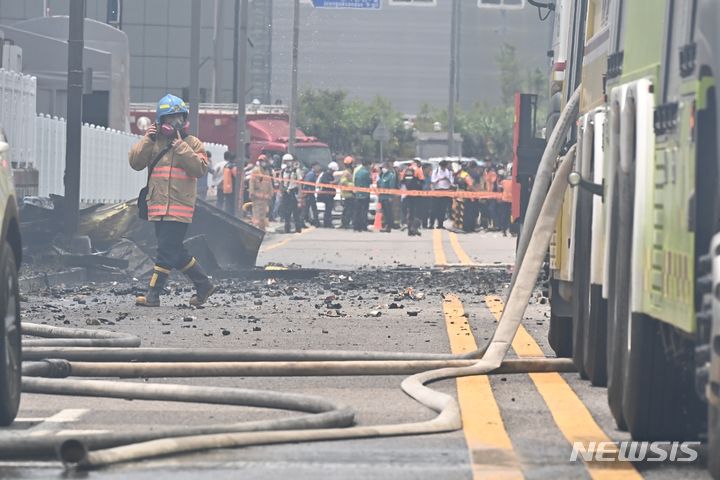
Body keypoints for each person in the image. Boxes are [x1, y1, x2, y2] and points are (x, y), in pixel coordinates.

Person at [129, 93, 215, 308]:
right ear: (161, 122)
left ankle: (153, 294)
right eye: (170, 118)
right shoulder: (154, 142)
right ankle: (203, 285)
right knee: (175, 251)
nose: (175, 122)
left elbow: (200, 169)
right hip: (157, 207)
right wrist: (147, 140)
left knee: (165, 252)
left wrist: (181, 148)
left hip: (180, 208)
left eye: (179, 117)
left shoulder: (192, 143)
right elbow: (135, 162)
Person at [249, 154, 273, 231]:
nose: (263, 163)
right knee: (257, 216)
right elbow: (251, 182)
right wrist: (251, 193)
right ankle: (256, 231)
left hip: (264, 199)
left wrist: (271, 194)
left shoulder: (266, 172)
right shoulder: (255, 171)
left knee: (263, 216)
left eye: (264, 161)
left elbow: (269, 184)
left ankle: (262, 230)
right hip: (257, 198)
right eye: (261, 161)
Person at [401, 158, 425, 236]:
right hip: (417, 194)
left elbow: (402, 181)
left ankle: (410, 230)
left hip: (408, 194)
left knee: (410, 212)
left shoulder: (406, 170)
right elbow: (422, 181)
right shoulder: (418, 169)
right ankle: (414, 228)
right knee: (419, 212)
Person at [280, 153, 303, 233]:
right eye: (286, 161)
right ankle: (287, 228)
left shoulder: (296, 171)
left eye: (289, 161)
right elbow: (281, 183)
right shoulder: (282, 171)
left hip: (293, 192)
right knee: (286, 212)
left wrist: (300, 195)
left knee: (296, 211)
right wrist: (281, 193)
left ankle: (298, 228)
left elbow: (299, 184)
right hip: (286, 193)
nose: (288, 163)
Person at [430, 159, 454, 228]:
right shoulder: (436, 171)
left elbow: (452, 183)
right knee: (434, 209)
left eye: (444, 166)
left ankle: (440, 224)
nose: (443, 167)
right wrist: (440, 179)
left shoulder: (449, 172)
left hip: (445, 191)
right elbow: (433, 181)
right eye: (442, 166)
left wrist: (447, 179)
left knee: (443, 209)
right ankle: (431, 224)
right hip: (437, 190)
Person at [377, 160, 397, 232]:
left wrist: (391, 197)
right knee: (384, 213)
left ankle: (388, 226)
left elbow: (391, 187)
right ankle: (385, 225)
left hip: (387, 197)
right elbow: (379, 185)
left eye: (384, 167)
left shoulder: (391, 176)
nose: (382, 169)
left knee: (388, 213)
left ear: (387, 167)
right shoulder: (382, 175)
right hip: (382, 197)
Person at [317, 161, 339, 228]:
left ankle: (328, 223)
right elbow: (326, 184)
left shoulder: (329, 175)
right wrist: (334, 182)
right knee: (328, 210)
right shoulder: (326, 175)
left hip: (329, 195)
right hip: (326, 196)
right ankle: (327, 223)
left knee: (329, 210)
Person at [353, 158, 372, 232]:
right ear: (367, 165)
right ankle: (363, 226)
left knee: (357, 211)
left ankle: (356, 226)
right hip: (365, 194)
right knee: (364, 211)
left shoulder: (358, 172)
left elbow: (355, 181)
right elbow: (369, 181)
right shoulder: (366, 173)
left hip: (358, 194)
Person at [302, 163, 321, 227]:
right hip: (309, 194)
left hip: (310, 193)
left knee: (310, 208)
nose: (319, 168)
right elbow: (306, 184)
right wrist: (306, 192)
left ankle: (314, 221)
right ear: (314, 166)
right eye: (317, 166)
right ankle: (313, 221)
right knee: (309, 208)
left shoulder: (313, 174)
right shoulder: (311, 174)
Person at [339, 156, 355, 229]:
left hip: (350, 193)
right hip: (348, 194)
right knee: (348, 210)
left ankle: (345, 223)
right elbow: (343, 182)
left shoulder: (349, 172)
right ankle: (345, 223)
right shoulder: (347, 172)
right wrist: (352, 186)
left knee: (348, 209)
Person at [498, 169, 512, 236]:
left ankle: (504, 230)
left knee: (504, 216)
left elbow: (499, 189)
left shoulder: (503, 182)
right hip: (512, 201)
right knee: (511, 216)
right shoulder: (515, 181)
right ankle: (511, 230)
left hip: (504, 200)